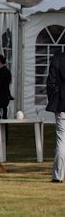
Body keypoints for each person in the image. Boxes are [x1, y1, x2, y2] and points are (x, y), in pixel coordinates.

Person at [45, 51, 65, 183]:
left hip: (61, 102)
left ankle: (58, 175)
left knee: (61, 139)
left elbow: (50, 82)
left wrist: (53, 99)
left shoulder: (58, 58)